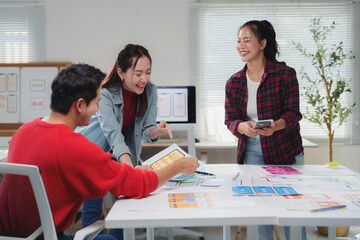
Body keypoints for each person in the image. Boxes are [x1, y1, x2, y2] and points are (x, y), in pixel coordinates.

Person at [0, 63, 199, 240]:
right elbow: (138, 185)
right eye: (96, 102)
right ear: (80, 105)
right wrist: (179, 165)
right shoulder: (74, 147)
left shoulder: (23, 132)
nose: (98, 109)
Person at [75, 44, 173, 239]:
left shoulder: (150, 90)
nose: (144, 79)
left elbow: (146, 132)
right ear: (121, 72)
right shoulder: (105, 93)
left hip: (120, 153)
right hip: (94, 151)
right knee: (93, 207)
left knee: (124, 203)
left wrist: (157, 130)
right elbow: (114, 135)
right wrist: (130, 171)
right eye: (138, 74)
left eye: (148, 72)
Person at [224, 20, 306, 240]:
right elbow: (230, 119)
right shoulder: (234, 82)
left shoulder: (285, 75)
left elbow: (293, 113)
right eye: (239, 40)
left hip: (285, 150)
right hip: (251, 152)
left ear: (262, 43)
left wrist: (276, 126)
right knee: (261, 215)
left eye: (247, 40)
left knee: (294, 215)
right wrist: (240, 126)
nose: (241, 45)